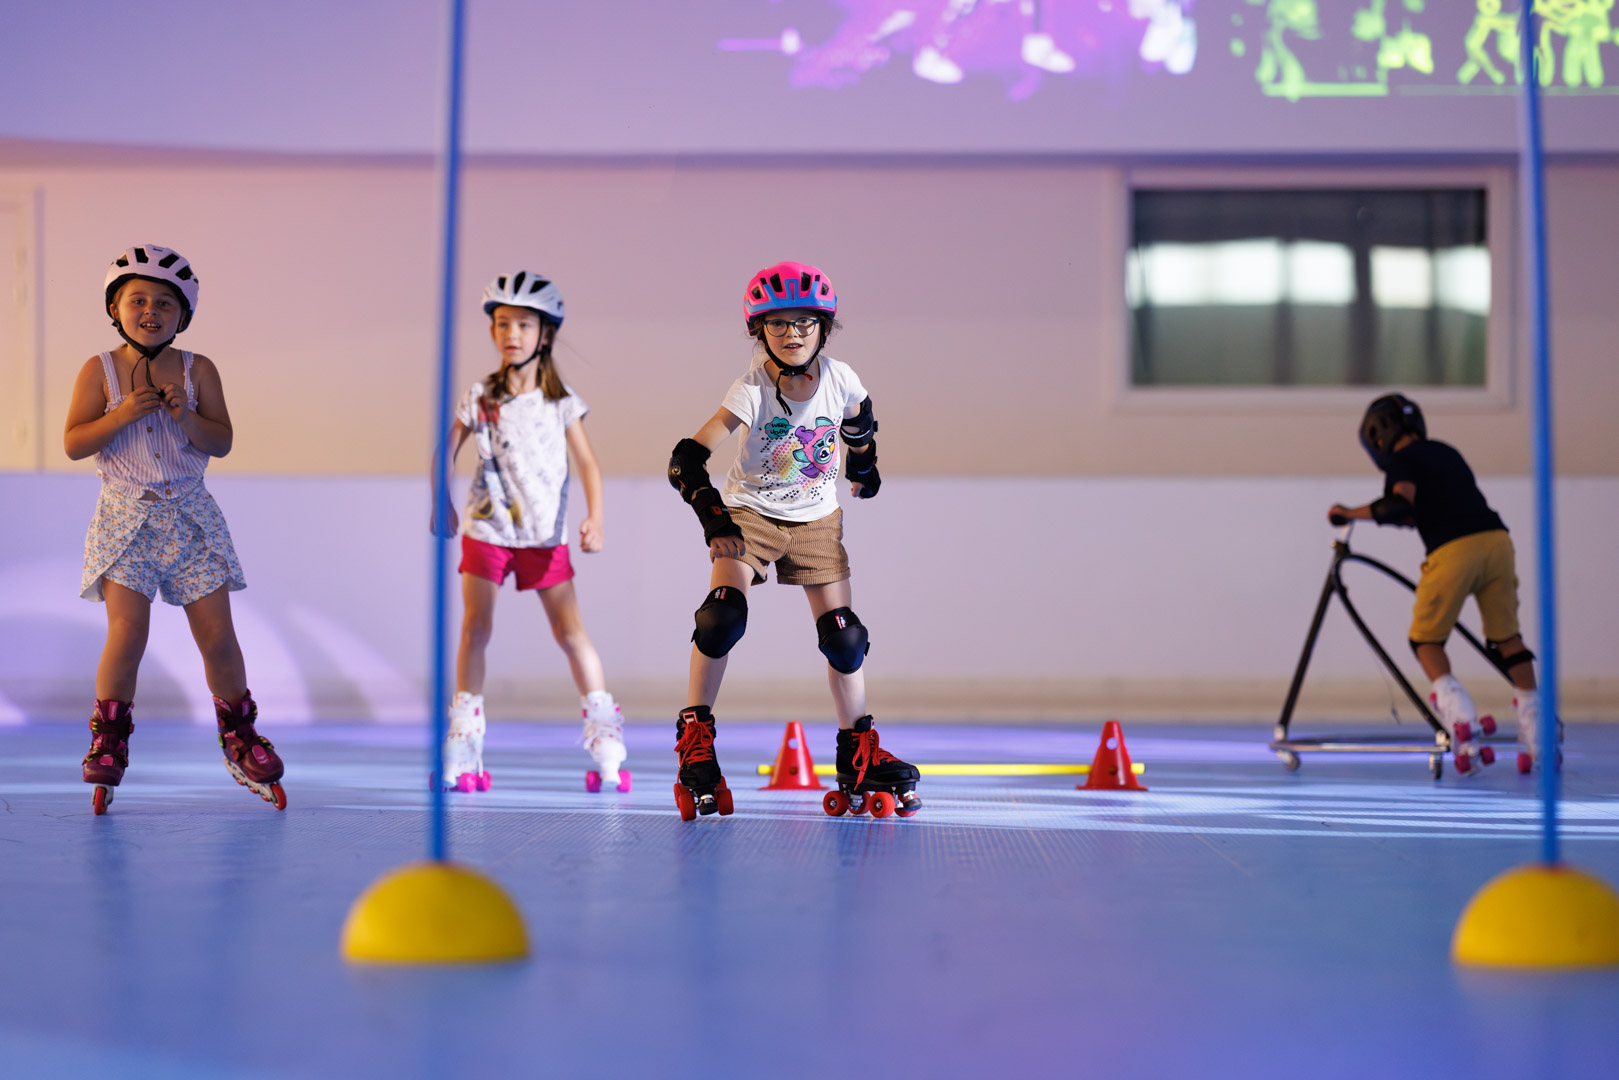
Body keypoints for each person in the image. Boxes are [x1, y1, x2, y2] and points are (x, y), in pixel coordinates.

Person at [664, 261, 920, 820]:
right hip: (751, 515)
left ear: (823, 328)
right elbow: (687, 459)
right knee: (721, 618)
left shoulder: (843, 377)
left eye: (805, 322)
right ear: (760, 332)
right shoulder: (750, 389)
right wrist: (715, 520)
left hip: (816, 520)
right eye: (777, 325)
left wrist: (865, 465)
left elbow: (860, 419)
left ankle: (858, 753)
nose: (793, 334)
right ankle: (695, 744)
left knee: (845, 638)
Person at [64, 245, 284, 814]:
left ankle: (240, 734)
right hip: (125, 518)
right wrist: (119, 416)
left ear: (183, 315)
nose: (151, 310)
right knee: (128, 632)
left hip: (190, 516)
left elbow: (223, 442)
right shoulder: (100, 370)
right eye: (137, 299)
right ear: (115, 308)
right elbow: (73, 443)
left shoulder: (198, 369)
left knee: (217, 636)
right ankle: (109, 738)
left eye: (166, 302)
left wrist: (187, 416)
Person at [430, 271, 627, 793]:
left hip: (544, 535)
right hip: (488, 530)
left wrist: (596, 516)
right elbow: (444, 451)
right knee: (476, 628)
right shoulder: (482, 396)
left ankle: (605, 732)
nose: (511, 333)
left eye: (523, 324)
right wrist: (441, 501)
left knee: (570, 632)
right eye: (501, 324)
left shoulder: (561, 402)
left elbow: (588, 463)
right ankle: (464, 738)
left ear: (546, 334)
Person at [1329, 394, 1550, 774]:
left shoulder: (1402, 461)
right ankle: (1537, 729)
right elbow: (1428, 507)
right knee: (1506, 639)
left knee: (1425, 640)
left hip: (1453, 551)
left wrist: (1347, 513)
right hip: (1497, 541)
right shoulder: (1446, 451)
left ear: (1378, 440)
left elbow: (1399, 506)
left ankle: (1460, 717)